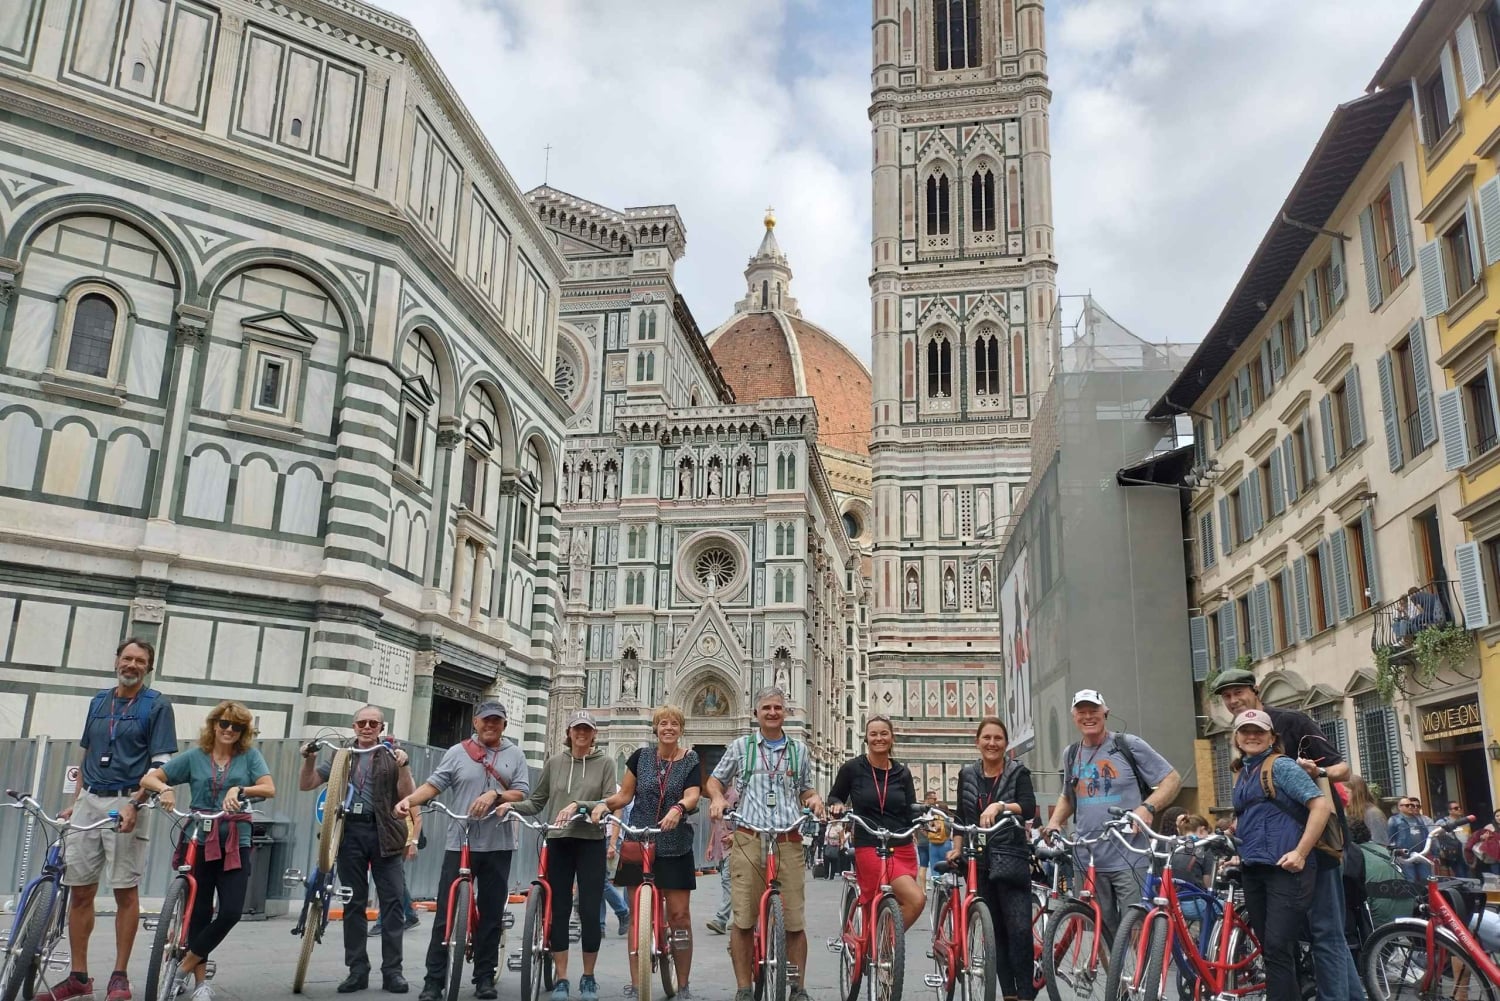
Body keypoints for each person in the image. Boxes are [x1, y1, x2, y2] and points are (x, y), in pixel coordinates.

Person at [1211, 668, 1363, 1001]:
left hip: (1319, 846)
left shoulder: (1291, 722)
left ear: (1255, 690)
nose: (1233, 700)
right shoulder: (1241, 739)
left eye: (1239, 692)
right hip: (1276, 856)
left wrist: (1315, 769)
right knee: (1309, 935)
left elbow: (1343, 770)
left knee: (1325, 931)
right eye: (1226, 696)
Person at [42, 639, 177, 1001]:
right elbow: (87, 753)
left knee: (124, 890)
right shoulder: (99, 701)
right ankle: (79, 977)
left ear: (148, 668)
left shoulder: (158, 705)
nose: (131, 664)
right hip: (90, 799)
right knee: (80, 890)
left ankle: (119, 977)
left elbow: (162, 764)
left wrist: (137, 802)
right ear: (116, 660)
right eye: (127, 658)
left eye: (140, 661)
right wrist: (76, 802)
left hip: (130, 798)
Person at [138, 701, 275, 1001]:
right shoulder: (196, 756)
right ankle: (201, 984)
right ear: (214, 725)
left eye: (236, 727)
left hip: (235, 841)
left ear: (243, 732)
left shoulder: (250, 757)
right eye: (224, 724)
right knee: (199, 912)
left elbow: (268, 788)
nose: (229, 730)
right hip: (198, 838)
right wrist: (165, 789)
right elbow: (149, 777)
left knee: (230, 912)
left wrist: (239, 790)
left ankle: (182, 969)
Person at [396, 701, 530, 1001]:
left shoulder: (515, 754)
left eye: (497, 721)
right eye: (485, 720)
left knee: (492, 914)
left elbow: (521, 792)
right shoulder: (457, 753)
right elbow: (434, 785)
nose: (490, 725)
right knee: (445, 913)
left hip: (499, 843)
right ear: (475, 722)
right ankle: (434, 982)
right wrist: (410, 801)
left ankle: (484, 977)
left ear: (504, 725)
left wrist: (496, 794)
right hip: (460, 842)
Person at [705, 687, 825, 1001]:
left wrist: (814, 801)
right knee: (743, 918)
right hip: (748, 837)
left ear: (785, 712)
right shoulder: (741, 747)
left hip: (788, 838)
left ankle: (798, 988)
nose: (772, 713)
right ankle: (744, 989)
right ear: (756, 713)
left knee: (795, 921)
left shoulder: (799, 751)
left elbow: (806, 791)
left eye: (778, 708)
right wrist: (717, 797)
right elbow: (714, 780)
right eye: (766, 708)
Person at [1040, 689, 1181, 939]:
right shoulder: (1071, 753)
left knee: (1137, 927)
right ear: (1074, 717)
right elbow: (1068, 796)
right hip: (1087, 857)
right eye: (1081, 712)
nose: (1088, 717)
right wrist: (1053, 822)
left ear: (1106, 713)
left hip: (1130, 856)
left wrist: (1147, 808)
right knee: (1100, 932)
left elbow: (1172, 779)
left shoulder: (1128, 745)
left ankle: (1138, 978)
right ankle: (1112, 979)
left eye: (1093, 711)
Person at [299, 705, 418, 994]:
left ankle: (393, 972)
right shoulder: (342, 755)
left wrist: (404, 765)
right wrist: (310, 760)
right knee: (354, 902)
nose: (367, 727)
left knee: (391, 904)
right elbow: (308, 784)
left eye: (373, 723)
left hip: (385, 834)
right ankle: (357, 970)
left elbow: (408, 794)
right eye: (362, 723)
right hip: (349, 833)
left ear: (381, 727)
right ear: (354, 727)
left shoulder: (392, 755)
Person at [500, 710, 616, 1001]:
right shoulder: (554, 763)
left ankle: (588, 977)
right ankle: (562, 978)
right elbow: (537, 801)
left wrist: (579, 806)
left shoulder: (606, 763)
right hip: (558, 840)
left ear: (594, 734)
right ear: (569, 732)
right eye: (577, 729)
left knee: (590, 911)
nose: (581, 734)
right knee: (559, 910)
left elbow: (607, 801)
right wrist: (510, 807)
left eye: (587, 730)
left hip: (591, 841)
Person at [592, 704, 702, 997]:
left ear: (680, 729)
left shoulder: (690, 759)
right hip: (639, 841)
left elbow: (693, 795)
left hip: (675, 843)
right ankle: (637, 982)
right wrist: (605, 804)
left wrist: (679, 808)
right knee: (638, 915)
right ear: (655, 728)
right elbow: (625, 795)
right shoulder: (640, 758)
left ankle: (683, 983)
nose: (668, 728)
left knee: (679, 916)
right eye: (663, 723)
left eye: (674, 724)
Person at [1230, 709, 1330, 1001]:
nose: (1252, 736)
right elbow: (1255, 816)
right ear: (1236, 738)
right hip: (1255, 867)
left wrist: (1300, 852)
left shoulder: (1281, 766)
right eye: (1246, 731)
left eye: (1259, 731)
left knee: (1276, 948)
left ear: (1271, 737)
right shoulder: (1244, 771)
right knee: (1274, 950)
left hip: (1286, 871)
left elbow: (1320, 806)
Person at [951, 716, 1036, 1001]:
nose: (992, 743)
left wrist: (1000, 805)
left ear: (1006, 742)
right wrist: (956, 846)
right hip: (978, 860)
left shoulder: (1017, 772)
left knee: (1020, 929)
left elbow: (1028, 807)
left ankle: (1025, 993)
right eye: (986, 738)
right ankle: (1009, 993)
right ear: (977, 742)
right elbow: (961, 816)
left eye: (998, 738)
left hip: (1010, 855)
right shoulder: (968, 774)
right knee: (994, 931)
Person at [828, 716, 925, 930]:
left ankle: (884, 944)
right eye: (874, 734)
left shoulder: (902, 773)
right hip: (869, 845)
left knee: (915, 900)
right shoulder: (852, 769)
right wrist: (836, 807)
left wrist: (923, 820)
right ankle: (877, 945)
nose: (879, 738)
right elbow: (835, 796)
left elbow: (910, 808)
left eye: (884, 733)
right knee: (886, 900)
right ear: (866, 738)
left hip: (901, 846)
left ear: (892, 738)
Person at [704, 785, 739, 934]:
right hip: (721, 846)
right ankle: (742, 918)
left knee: (727, 880)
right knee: (735, 882)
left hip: (734, 845)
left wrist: (734, 835)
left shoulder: (736, 795)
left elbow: (743, 820)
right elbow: (715, 824)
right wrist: (711, 845)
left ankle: (721, 919)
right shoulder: (715, 796)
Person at [1387, 796, 1431, 883]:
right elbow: (1390, 838)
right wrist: (1396, 854)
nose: (1410, 807)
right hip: (1405, 857)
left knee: (1427, 880)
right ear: (1400, 807)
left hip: (1420, 854)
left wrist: (1433, 852)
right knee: (1411, 881)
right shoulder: (1394, 820)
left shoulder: (1418, 819)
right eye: (1407, 805)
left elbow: (1426, 835)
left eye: (1411, 805)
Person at [917, 789, 950, 884]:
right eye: (934, 798)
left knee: (933, 868)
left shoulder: (929, 816)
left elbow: (922, 828)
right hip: (944, 844)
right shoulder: (946, 819)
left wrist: (928, 835)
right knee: (946, 868)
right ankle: (948, 892)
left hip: (932, 844)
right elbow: (949, 833)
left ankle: (934, 889)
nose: (935, 800)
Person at [1345, 776, 1387, 846]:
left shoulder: (1373, 814)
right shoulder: (1347, 811)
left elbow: (1381, 844)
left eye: (1346, 792)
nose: (1342, 796)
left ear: (1357, 793)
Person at [1463, 808, 1500, 876]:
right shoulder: (1489, 827)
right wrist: (1482, 837)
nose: (1499, 817)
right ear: (1494, 817)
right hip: (1493, 858)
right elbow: (1478, 838)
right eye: (1497, 816)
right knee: (1496, 876)